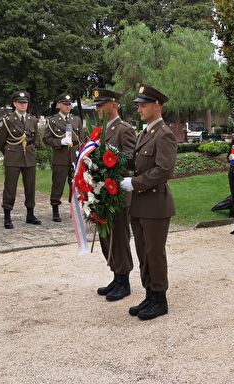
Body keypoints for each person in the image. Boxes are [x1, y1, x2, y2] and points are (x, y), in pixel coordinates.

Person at [119, 84, 176, 320]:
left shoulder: (164, 134)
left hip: (155, 203)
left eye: (144, 105)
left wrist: (136, 183)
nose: (140, 108)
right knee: (143, 251)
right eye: (139, 105)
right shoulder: (144, 133)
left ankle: (160, 299)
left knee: (154, 252)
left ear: (157, 105)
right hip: (140, 204)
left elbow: (164, 170)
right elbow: (138, 164)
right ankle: (150, 294)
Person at [93, 88, 137, 302]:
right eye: (96, 105)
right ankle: (115, 275)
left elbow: (131, 160)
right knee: (106, 237)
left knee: (119, 237)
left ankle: (124, 280)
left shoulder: (124, 129)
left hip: (117, 193)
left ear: (113, 104)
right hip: (102, 193)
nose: (97, 109)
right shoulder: (99, 130)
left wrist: (112, 155)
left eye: (101, 104)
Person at [0, 91, 40, 228]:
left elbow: (34, 138)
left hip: (29, 157)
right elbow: (1, 141)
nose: (23, 105)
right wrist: (10, 153)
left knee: (30, 186)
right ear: (14, 103)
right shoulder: (7, 120)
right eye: (20, 102)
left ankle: (30, 214)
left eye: (25, 102)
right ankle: (7, 216)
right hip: (13, 157)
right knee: (10, 187)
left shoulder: (32, 120)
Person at [42, 93, 82, 222]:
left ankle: (74, 208)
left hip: (74, 157)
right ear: (59, 104)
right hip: (60, 157)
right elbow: (46, 139)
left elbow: (81, 139)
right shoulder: (52, 121)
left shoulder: (76, 120)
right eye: (65, 104)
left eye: (69, 104)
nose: (68, 106)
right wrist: (60, 142)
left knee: (75, 184)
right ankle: (55, 210)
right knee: (58, 184)